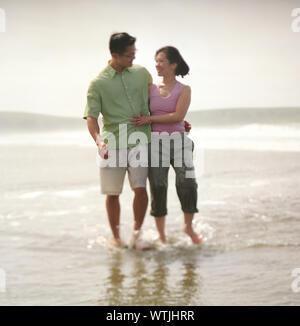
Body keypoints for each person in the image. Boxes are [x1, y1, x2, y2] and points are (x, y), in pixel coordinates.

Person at [83, 32, 152, 250]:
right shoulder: (98, 83)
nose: (134, 58)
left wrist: (178, 123)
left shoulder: (142, 74)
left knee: (140, 189)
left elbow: (157, 101)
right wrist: (98, 141)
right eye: (129, 55)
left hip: (141, 140)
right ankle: (116, 237)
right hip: (112, 144)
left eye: (134, 53)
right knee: (113, 194)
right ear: (115, 55)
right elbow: (91, 117)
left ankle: (137, 235)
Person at [131, 46, 202, 244]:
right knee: (158, 186)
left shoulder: (184, 89)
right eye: (156, 60)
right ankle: (162, 237)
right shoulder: (150, 89)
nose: (157, 64)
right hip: (154, 143)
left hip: (179, 142)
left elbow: (178, 116)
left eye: (162, 60)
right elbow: (138, 111)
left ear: (173, 64)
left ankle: (188, 227)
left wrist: (150, 119)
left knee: (188, 183)